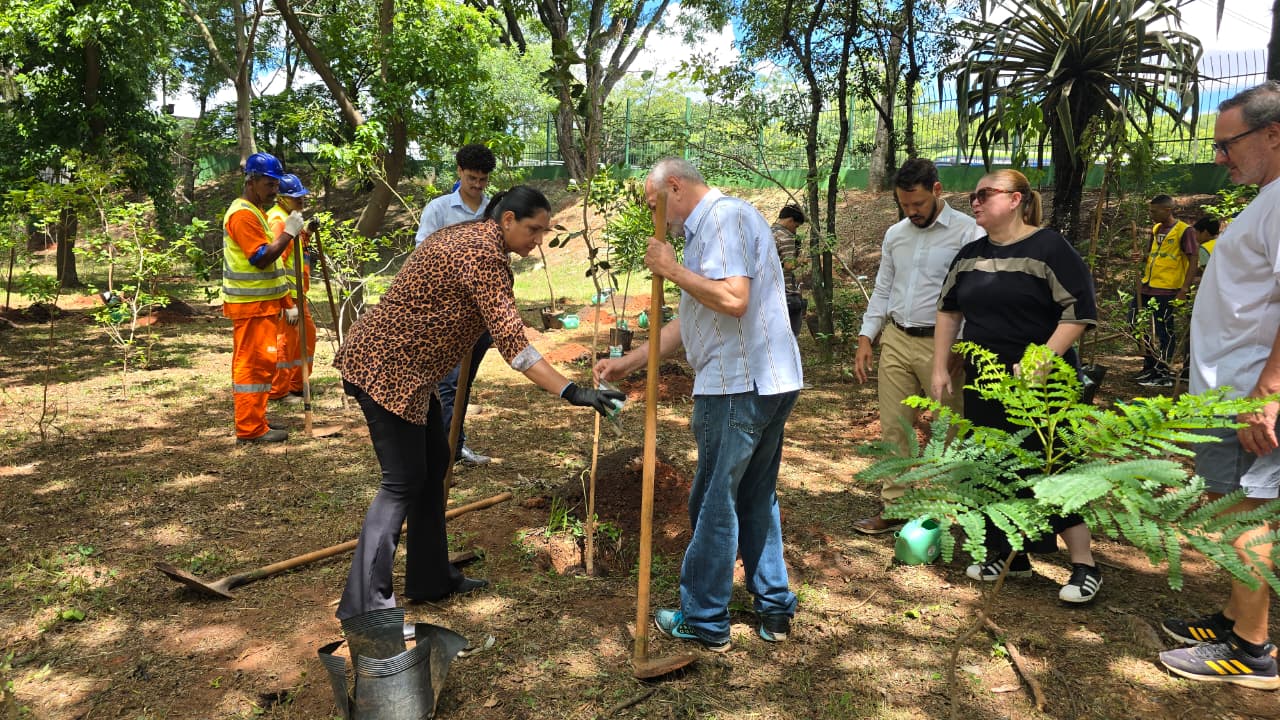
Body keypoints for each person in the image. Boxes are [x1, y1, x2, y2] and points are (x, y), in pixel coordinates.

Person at [333, 186, 622, 620]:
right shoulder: (483, 255)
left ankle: (430, 579)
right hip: (386, 371)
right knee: (403, 482)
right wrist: (572, 390)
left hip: (410, 374)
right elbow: (515, 346)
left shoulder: (470, 238)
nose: (538, 240)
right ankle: (365, 605)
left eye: (544, 231)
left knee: (434, 462)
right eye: (533, 229)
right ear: (507, 219)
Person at [595, 158, 804, 651]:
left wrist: (669, 268)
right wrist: (632, 362)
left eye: (654, 205)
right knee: (755, 496)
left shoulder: (722, 218)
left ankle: (705, 619)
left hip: (737, 384)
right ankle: (773, 608)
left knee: (714, 499)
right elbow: (692, 321)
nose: (658, 217)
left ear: (673, 186)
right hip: (766, 380)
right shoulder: (709, 229)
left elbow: (733, 299)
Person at [1157, 81, 1280, 690]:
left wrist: (1269, 390)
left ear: (1274, 134)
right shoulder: (1266, 199)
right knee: (1232, 503)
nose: (1219, 156)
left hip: (1248, 391)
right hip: (1225, 386)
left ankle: (1251, 649)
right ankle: (1234, 616)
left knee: (1246, 510)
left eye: (1228, 144)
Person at [931, 169, 1103, 604]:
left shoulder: (1049, 247)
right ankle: (1010, 554)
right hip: (986, 383)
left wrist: (1040, 360)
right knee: (994, 467)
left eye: (986, 194)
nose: (975, 201)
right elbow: (949, 312)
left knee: (1052, 470)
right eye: (973, 195)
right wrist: (940, 368)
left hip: (1044, 385)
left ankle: (1084, 565)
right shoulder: (969, 254)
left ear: (1017, 200)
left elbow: (1079, 310)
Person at [852, 158, 978, 535]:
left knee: (949, 429)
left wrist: (961, 345)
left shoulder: (967, 233)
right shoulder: (897, 234)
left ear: (937, 190)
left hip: (943, 345)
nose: (912, 212)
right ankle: (896, 506)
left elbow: (973, 295)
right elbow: (883, 288)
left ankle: (945, 512)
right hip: (896, 339)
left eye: (918, 204)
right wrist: (866, 336)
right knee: (894, 427)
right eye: (904, 205)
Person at [415, 143, 498, 466]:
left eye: (483, 180)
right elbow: (423, 255)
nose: (477, 185)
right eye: (472, 178)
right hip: (446, 316)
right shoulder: (438, 210)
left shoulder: (493, 211)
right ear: (459, 172)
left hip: (479, 317)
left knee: (464, 384)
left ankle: (454, 446)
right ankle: (444, 452)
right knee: (448, 384)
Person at [222, 152, 303, 444]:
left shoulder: (254, 212)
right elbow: (261, 259)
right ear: (252, 181)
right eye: (270, 185)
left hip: (263, 306)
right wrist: (289, 234)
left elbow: (274, 270)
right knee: (252, 367)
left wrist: (286, 302)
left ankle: (257, 419)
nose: (275, 191)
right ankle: (249, 428)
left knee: (263, 364)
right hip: (250, 307)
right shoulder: (243, 215)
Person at [1130, 195, 1197, 389]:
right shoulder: (1156, 229)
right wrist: (1140, 257)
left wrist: (1184, 289)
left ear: (1168, 210)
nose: (1151, 214)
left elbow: (1193, 260)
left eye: (1154, 211)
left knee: (1164, 330)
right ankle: (1150, 363)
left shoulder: (1185, 231)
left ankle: (1163, 370)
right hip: (1147, 285)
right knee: (1134, 322)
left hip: (1168, 289)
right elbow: (1152, 255)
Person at [267, 174, 318, 405]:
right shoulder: (278, 220)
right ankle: (279, 390)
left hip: (299, 295)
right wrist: (286, 304)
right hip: (288, 297)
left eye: (302, 197)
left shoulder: (290, 218)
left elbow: (294, 246)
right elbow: (277, 261)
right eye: (296, 198)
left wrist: (306, 232)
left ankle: (299, 384)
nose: (301, 201)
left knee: (306, 339)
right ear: (282, 198)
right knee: (285, 343)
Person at [771, 204, 807, 337]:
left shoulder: (768, 232)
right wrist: (802, 261)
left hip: (769, 290)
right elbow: (789, 265)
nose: (795, 230)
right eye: (796, 226)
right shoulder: (786, 236)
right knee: (791, 335)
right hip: (786, 292)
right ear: (790, 220)